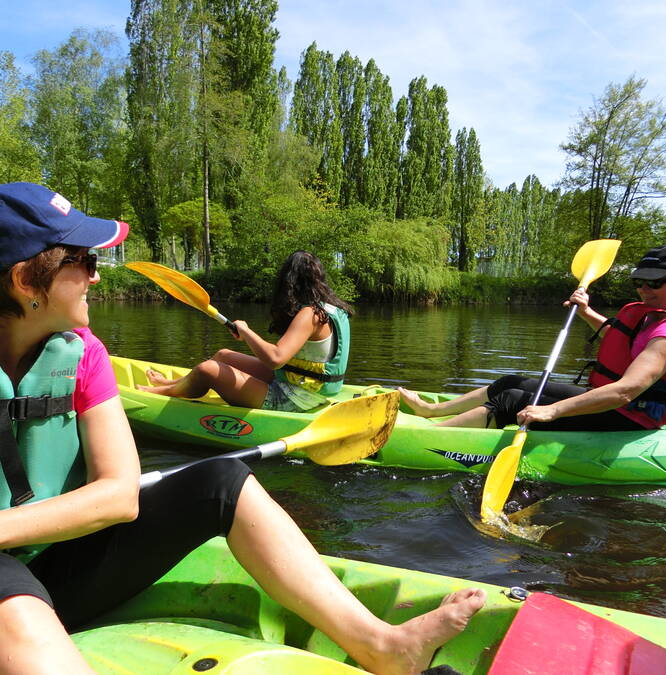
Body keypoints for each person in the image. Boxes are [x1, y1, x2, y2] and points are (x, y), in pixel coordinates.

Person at [0, 182, 484, 675]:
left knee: (223, 481)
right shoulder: (327, 311)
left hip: (65, 560)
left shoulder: (86, 354)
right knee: (12, 597)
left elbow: (120, 495)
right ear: (24, 279)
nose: (94, 278)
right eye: (83, 262)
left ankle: (383, 644)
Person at [399, 244, 666, 432]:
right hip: (613, 402)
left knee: (514, 400)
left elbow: (625, 390)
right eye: (639, 282)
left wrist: (552, 411)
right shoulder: (651, 314)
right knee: (511, 382)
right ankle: (431, 411)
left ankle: (431, 436)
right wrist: (586, 311)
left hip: (629, 415)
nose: (644, 290)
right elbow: (619, 338)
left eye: (654, 283)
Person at [137, 250, 352, 412]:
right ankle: (173, 384)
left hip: (296, 399)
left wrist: (247, 331)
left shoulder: (310, 314)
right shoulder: (333, 310)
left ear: (289, 281)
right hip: (306, 387)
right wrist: (246, 334)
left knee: (208, 370)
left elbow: (276, 358)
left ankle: (160, 393)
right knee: (222, 355)